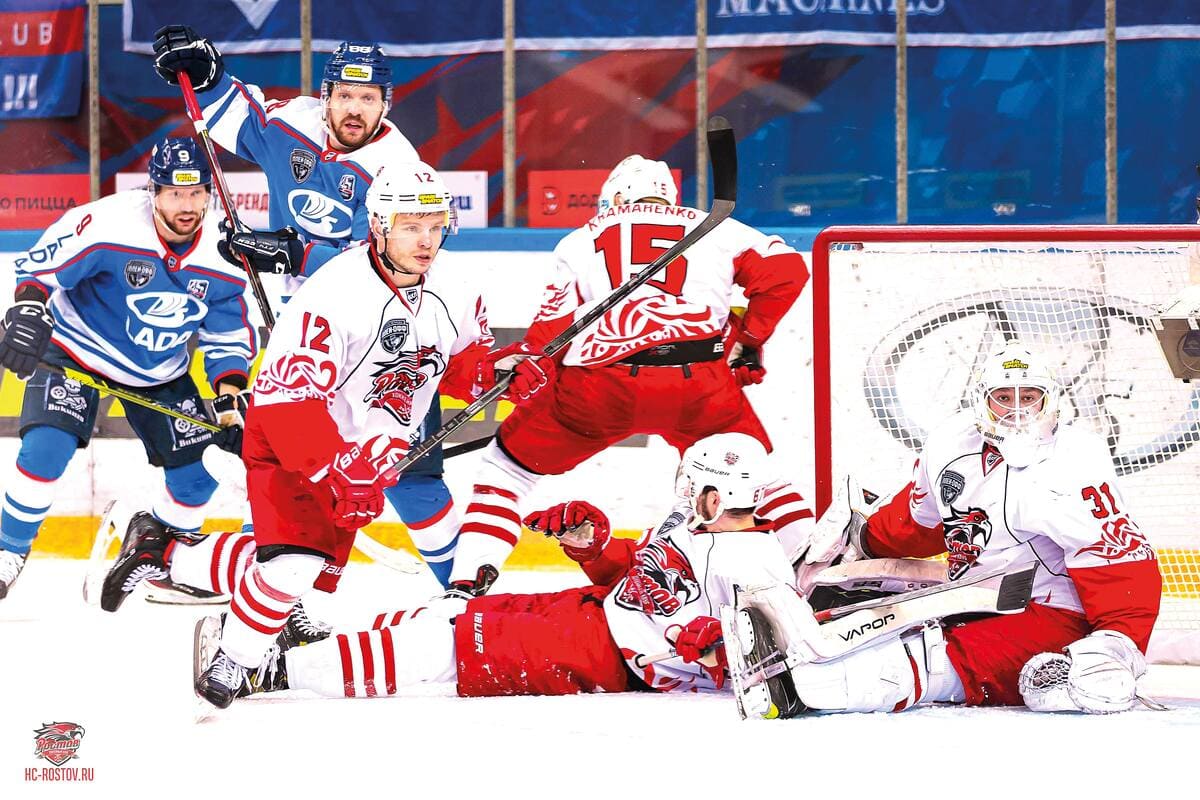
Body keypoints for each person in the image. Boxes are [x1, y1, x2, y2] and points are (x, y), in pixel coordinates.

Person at [156, 161, 545, 708]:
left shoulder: (457, 287)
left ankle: (163, 549)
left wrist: (497, 374)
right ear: (379, 226)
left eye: (436, 226)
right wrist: (334, 465)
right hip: (291, 436)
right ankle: (235, 658)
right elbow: (289, 403)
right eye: (411, 227)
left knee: (314, 570)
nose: (427, 240)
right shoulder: (335, 293)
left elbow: (456, 365)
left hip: (369, 452)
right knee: (293, 563)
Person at [151, 26, 459, 585]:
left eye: (368, 98)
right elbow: (234, 113)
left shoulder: (397, 169)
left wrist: (292, 253)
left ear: (386, 104)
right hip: (302, 335)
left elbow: (391, 264)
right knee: (286, 471)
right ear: (326, 96)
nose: (355, 109)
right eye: (345, 95)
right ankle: (276, 594)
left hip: (377, 337)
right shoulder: (294, 123)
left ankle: (458, 594)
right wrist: (207, 72)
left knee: (414, 479)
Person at [191, 432, 797, 706]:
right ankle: (315, 643)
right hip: (586, 614)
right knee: (451, 614)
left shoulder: (759, 565)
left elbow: (767, 659)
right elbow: (644, 584)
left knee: (444, 648)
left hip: (603, 658)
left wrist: (713, 648)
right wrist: (593, 547)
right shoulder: (693, 524)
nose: (682, 491)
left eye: (692, 484)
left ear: (715, 494)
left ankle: (274, 671)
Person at [443, 154, 812, 597]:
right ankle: (815, 572)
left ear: (614, 199)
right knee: (756, 475)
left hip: (599, 388)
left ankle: (466, 584)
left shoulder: (581, 239)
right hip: (698, 384)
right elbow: (788, 272)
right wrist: (749, 338)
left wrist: (530, 376)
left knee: (507, 469)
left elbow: (548, 339)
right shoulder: (714, 227)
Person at [769, 343, 1162, 715]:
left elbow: (1120, 563)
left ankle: (792, 692)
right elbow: (921, 521)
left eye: (1029, 397)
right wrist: (864, 540)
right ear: (982, 400)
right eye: (1003, 397)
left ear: (1049, 401)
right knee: (867, 623)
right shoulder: (950, 441)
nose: (1016, 411)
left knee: (917, 665)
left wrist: (1117, 645)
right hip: (977, 596)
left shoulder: (1074, 462)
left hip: (1052, 612)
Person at [0, 137, 256, 599]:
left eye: (196, 193)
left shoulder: (226, 252)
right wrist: (29, 308)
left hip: (159, 371)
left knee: (198, 476)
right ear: (153, 192)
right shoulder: (110, 223)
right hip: (78, 351)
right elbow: (41, 267)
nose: (187, 205)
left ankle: (155, 555)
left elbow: (227, 335)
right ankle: (9, 550)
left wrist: (230, 399)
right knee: (46, 449)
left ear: (209, 193)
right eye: (174, 193)